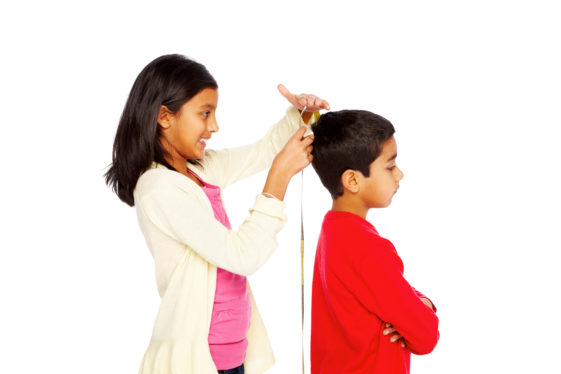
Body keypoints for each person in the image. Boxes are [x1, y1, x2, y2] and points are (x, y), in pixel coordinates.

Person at [104, 54, 329, 374]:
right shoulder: (159, 189)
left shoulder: (199, 170)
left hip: (232, 354)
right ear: (164, 117)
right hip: (197, 363)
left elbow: (263, 151)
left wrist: (299, 116)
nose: (214, 126)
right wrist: (278, 179)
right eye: (204, 113)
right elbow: (241, 255)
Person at [309, 110, 439, 374]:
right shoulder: (368, 249)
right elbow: (425, 336)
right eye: (390, 166)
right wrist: (424, 304)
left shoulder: (332, 230)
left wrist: (411, 306)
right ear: (353, 180)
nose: (399, 174)